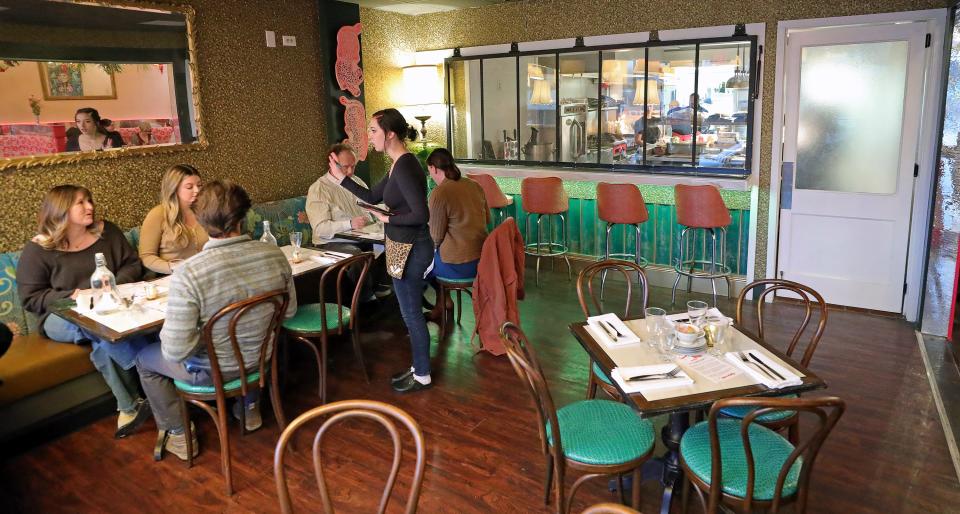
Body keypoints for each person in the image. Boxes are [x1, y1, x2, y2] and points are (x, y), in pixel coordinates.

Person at [135, 180, 297, 460]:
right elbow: (290, 311)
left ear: (199, 220)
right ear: (244, 216)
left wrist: (203, 331)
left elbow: (175, 351)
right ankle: (249, 409)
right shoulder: (273, 254)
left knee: (144, 358)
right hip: (261, 360)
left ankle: (179, 434)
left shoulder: (189, 273)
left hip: (214, 371)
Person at [17, 185, 151, 438]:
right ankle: (149, 371)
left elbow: (132, 264)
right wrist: (73, 295)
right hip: (61, 315)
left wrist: (112, 284)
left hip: (110, 306)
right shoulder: (39, 249)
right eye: (81, 203)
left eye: (89, 200)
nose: (90, 206)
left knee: (101, 341)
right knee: (94, 326)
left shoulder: (106, 232)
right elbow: (31, 298)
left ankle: (129, 407)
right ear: (61, 211)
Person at [334, 108, 432, 393]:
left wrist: (389, 219)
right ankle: (419, 367)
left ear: (390, 134)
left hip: (412, 247)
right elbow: (372, 196)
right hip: (404, 244)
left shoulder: (405, 165)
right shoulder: (396, 164)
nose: (369, 136)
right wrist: (342, 178)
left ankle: (423, 373)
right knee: (408, 312)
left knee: (411, 312)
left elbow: (421, 213)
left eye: (373, 131)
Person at [424, 148, 489, 322]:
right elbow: (487, 219)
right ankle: (443, 302)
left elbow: (436, 238)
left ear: (434, 168)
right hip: (482, 260)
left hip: (458, 265)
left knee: (419, 265)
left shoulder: (439, 193)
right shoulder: (474, 185)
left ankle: (440, 303)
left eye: (429, 171)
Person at [306, 143, 381, 247]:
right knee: (356, 254)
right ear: (332, 163)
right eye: (345, 166)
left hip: (363, 238)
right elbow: (320, 229)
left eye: (353, 166)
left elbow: (370, 207)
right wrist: (350, 224)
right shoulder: (319, 189)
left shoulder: (357, 181)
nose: (350, 171)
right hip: (331, 243)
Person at [139, 164, 208, 274]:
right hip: (172, 278)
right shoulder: (158, 214)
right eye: (189, 187)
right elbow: (146, 257)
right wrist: (174, 268)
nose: (197, 190)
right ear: (174, 189)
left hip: (206, 274)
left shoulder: (208, 211)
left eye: (199, 185)